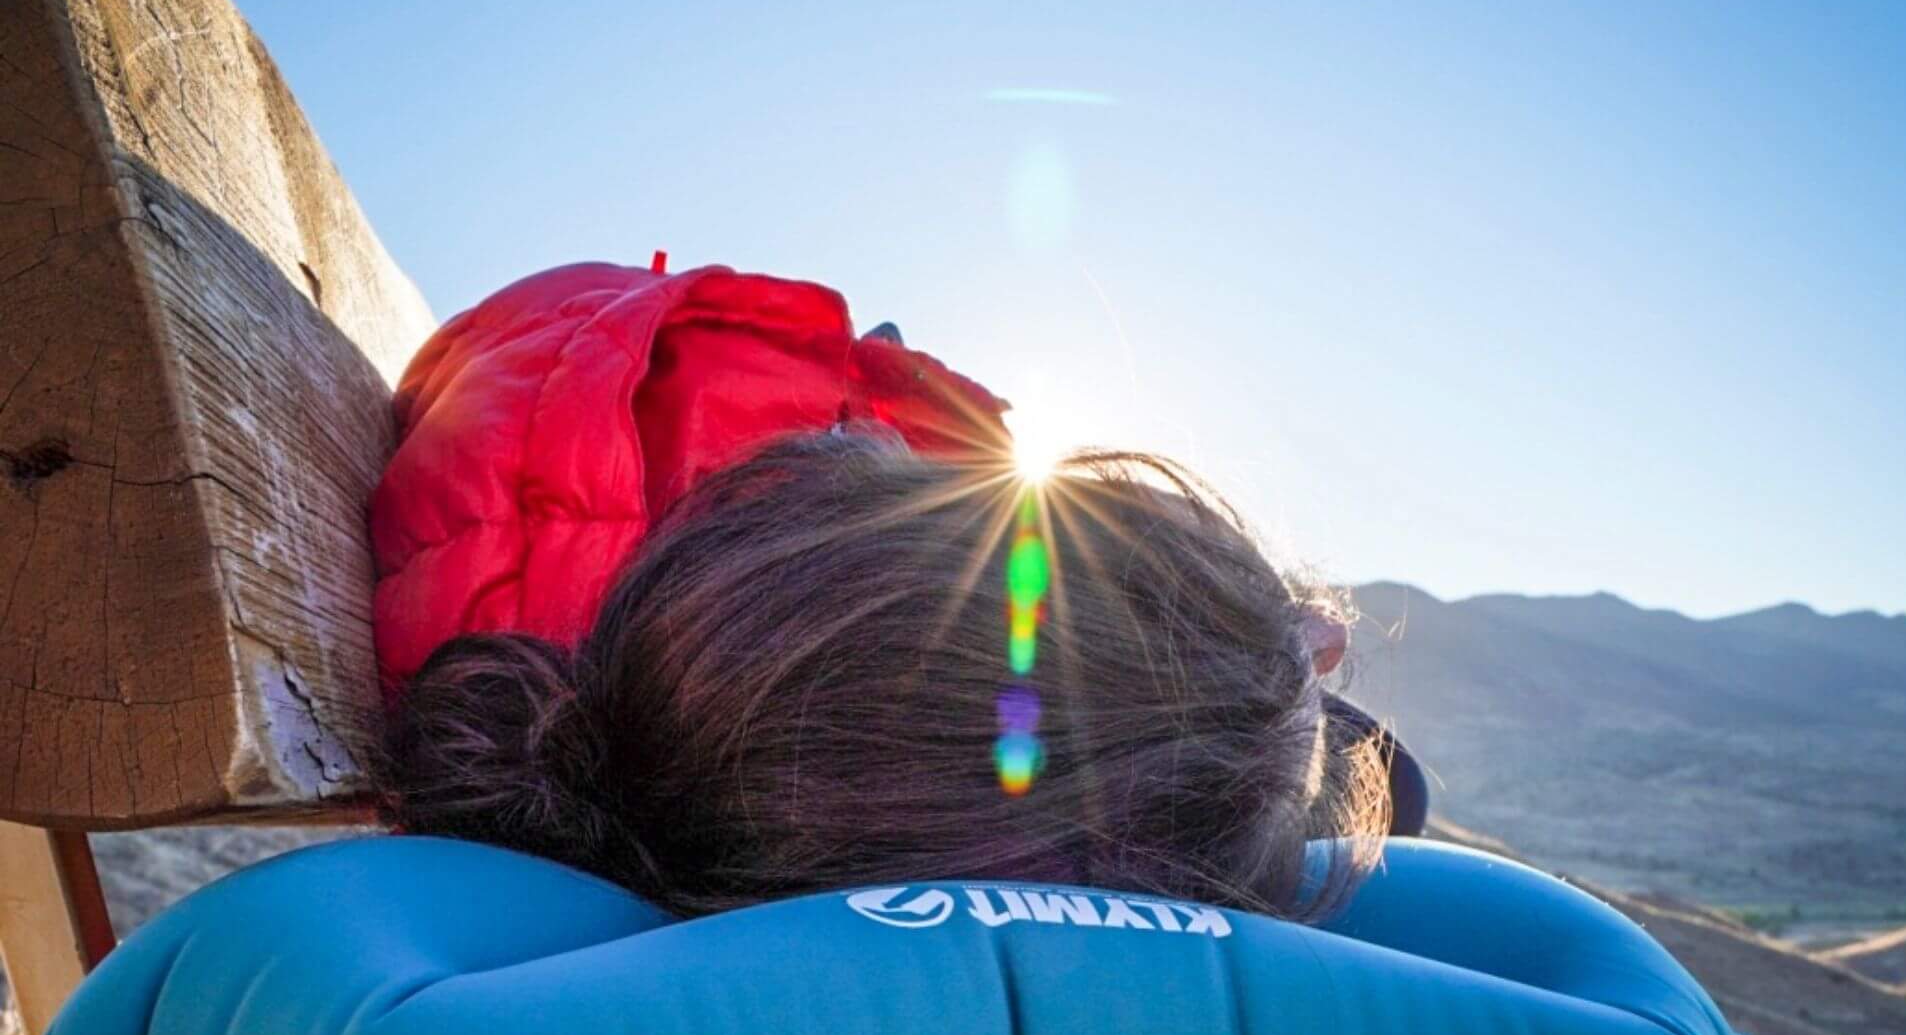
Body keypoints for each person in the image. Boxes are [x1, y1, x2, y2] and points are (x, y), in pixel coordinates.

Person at [369, 259, 1425, 922]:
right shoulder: (708, 674)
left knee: (1314, 753)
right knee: (1373, 779)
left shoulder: (677, 456)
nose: (1334, 624)